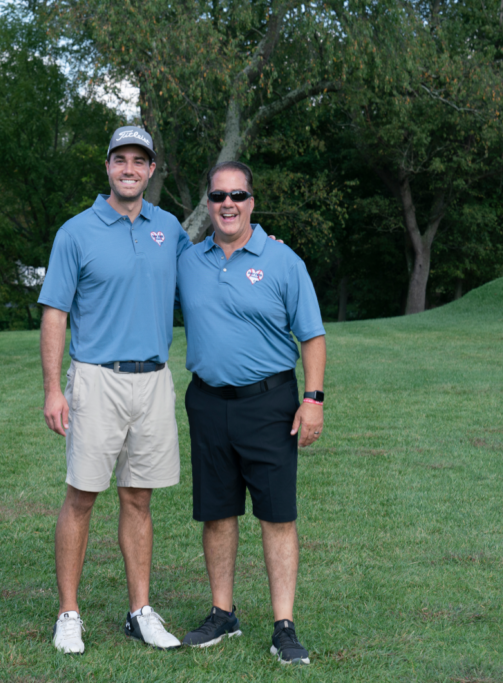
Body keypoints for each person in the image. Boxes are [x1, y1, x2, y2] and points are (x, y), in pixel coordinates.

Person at [38, 126, 190, 654]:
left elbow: (212, 267)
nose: (129, 168)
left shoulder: (169, 228)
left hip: (153, 380)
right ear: (108, 167)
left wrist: (267, 246)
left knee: (139, 498)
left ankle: (140, 611)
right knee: (81, 496)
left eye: (139, 161)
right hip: (96, 378)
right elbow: (55, 312)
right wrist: (53, 389)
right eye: (120, 159)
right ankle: (68, 612)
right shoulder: (76, 232)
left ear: (151, 171)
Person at [175, 161, 326, 665]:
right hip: (208, 401)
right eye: (218, 196)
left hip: (270, 404)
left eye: (237, 195)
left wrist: (314, 399)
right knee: (216, 512)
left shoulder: (283, 261)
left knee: (276, 515)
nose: (228, 204)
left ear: (252, 202)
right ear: (209, 204)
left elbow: (312, 335)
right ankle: (223, 613)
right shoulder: (188, 260)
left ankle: (284, 625)